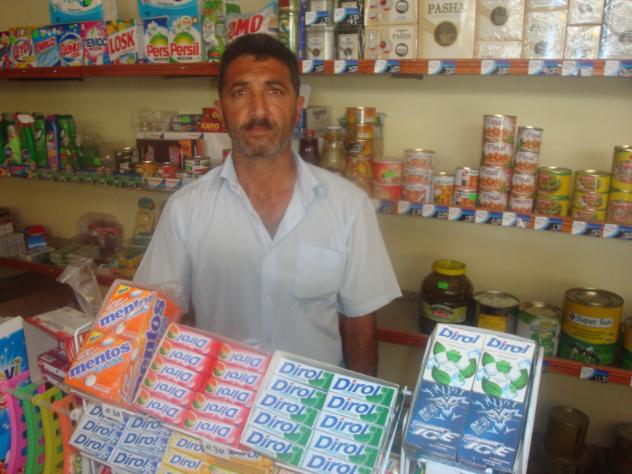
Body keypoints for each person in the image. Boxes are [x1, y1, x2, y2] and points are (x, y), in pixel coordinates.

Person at [134, 33, 401, 375]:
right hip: (219, 395)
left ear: (297, 107)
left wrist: (360, 403)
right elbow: (159, 314)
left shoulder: (349, 206)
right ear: (221, 110)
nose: (258, 110)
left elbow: (359, 321)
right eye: (240, 92)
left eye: (274, 91)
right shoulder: (185, 209)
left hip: (312, 397)